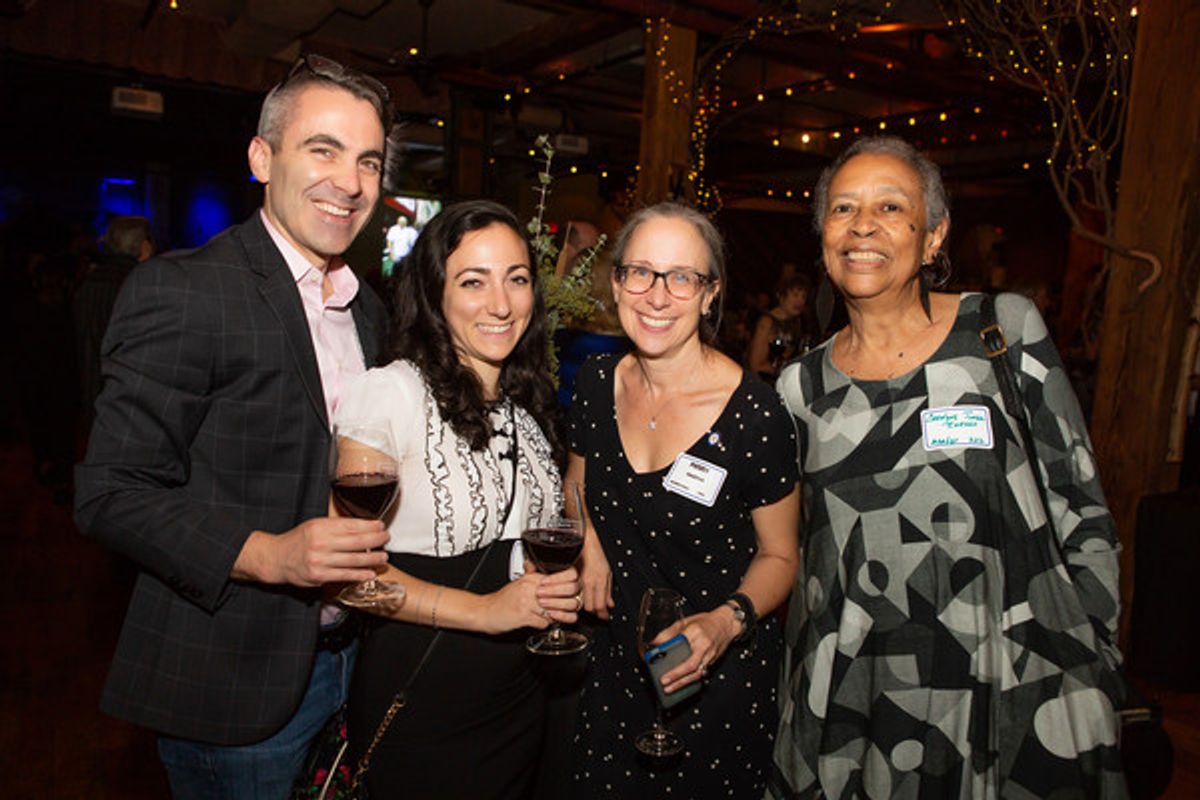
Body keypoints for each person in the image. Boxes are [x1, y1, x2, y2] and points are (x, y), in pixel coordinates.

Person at [75, 54, 396, 798]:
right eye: (323, 149)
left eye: (368, 161)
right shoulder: (185, 290)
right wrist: (268, 556)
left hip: (353, 662)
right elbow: (109, 491)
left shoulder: (370, 312)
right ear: (262, 157)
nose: (348, 181)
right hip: (236, 683)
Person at [768, 136, 1126, 798]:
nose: (863, 226)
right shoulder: (799, 388)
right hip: (864, 698)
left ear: (933, 237)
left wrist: (1095, 658)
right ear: (823, 235)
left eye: (891, 206)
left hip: (1013, 680)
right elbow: (798, 554)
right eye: (843, 208)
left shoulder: (1000, 332)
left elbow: (1082, 506)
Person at [337, 199, 582, 799]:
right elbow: (344, 576)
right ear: (433, 293)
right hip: (424, 698)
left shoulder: (529, 407)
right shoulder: (389, 394)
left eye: (517, 279)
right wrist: (484, 611)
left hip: (522, 695)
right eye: (473, 281)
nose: (501, 304)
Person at [566, 202, 801, 798]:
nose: (656, 296)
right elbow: (576, 486)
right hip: (613, 664)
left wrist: (727, 623)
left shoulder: (756, 416)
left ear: (709, 294)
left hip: (716, 674)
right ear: (617, 282)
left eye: (682, 278)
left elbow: (781, 557)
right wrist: (589, 540)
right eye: (640, 272)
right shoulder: (596, 381)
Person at [73, 215, 154, 425]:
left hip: (91, 389)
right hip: (129, 400)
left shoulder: (88, 283)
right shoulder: (141, 285)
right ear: (143, 246)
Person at [745, 272, 816, 381]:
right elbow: (755, 365)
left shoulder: (797, 322)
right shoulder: (767, 322)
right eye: (795, 295)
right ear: (781, 296)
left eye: (803, 297)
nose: (800, 301)